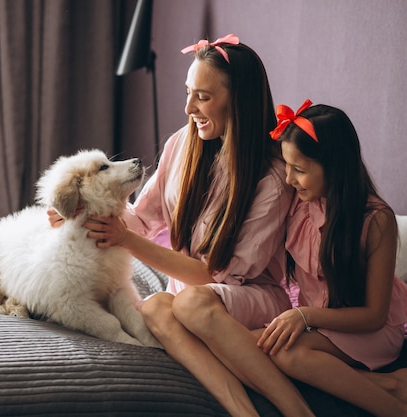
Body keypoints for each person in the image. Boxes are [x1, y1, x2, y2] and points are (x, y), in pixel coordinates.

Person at [74, 35, 316, 417]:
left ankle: (297, 410)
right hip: (189, 298)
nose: (188, 107)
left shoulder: (270, 179)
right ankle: (243, 412)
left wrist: (128, 242)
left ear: (237, 101)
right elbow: (141, 217)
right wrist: (84, 215)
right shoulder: (181, 145)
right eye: (189, 93)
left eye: (202, 97)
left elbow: (215, 275)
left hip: (250, 298)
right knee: (154, 307)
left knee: (190, 301)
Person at [257, 100, 407, 417]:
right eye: (287, 166)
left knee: (287, 354)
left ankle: (392, 408)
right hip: (319, 325)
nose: (288, 179)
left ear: (334, 167)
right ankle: (388, 384)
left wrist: (305, 316)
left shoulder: (376, 220)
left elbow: (374, 316)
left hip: (369, 331)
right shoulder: (298, 204)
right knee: (250, 344)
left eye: (299, 170)